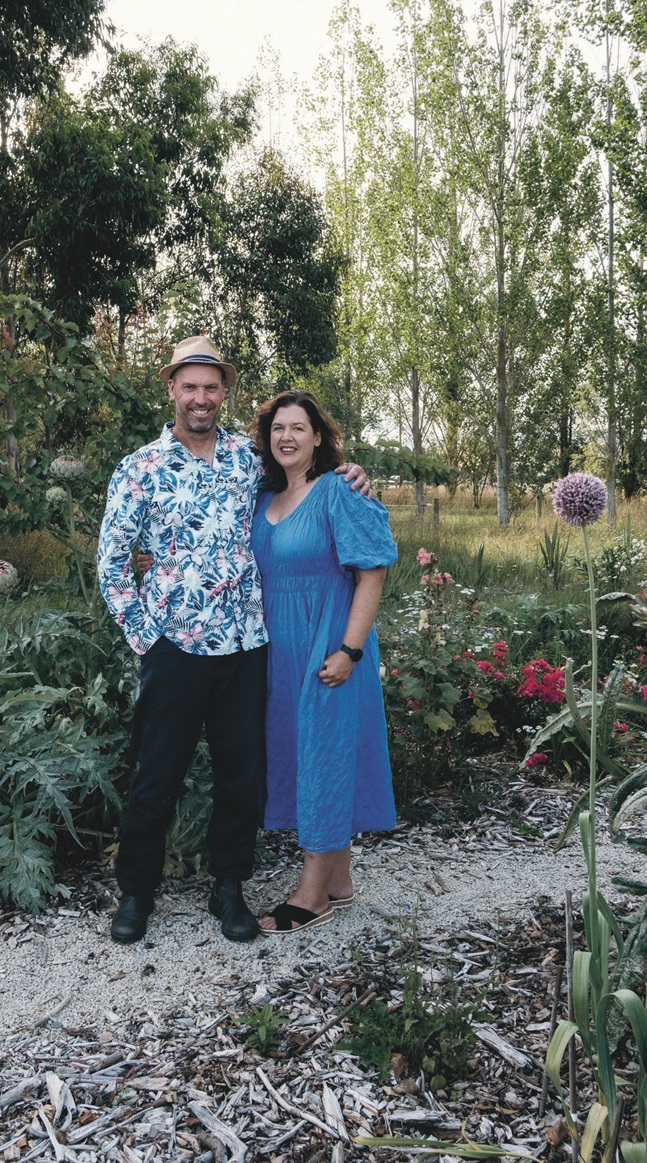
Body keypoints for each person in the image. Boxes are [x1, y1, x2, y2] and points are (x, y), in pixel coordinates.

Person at [97, 336, 369, 945]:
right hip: (174, 647)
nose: (200, 398)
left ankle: (229, 888)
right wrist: (149, 638)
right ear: (171, 390)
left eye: (211, 387)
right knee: (156, 774)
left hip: (247, 645)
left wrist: (353, 475)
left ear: (225, 392)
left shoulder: (249, 460)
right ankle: (137, 893)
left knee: (239, 776)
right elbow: (112, 563)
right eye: (189, 386)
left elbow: (307, 485)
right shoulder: (140, 468)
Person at [250, 390, 398, 934]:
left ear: (318, 437)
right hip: (281, 648)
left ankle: (310, 895)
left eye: (298, 427)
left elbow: (373, 571)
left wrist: (351, 650)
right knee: (301, 751)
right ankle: (339, 882)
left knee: (324, 756)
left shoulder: (339, 490)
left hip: (328, 643)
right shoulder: (263, 497)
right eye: (277, 429)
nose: (286, 437)